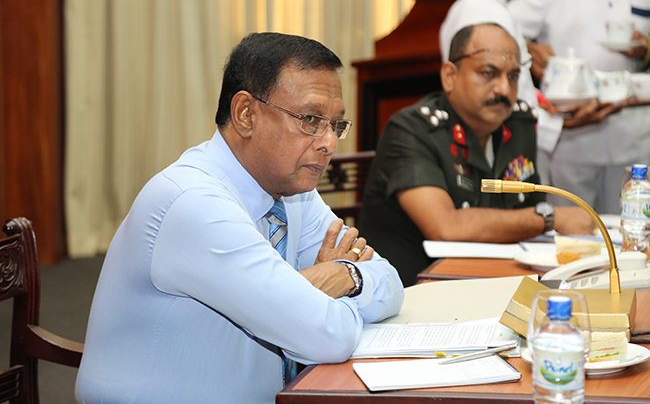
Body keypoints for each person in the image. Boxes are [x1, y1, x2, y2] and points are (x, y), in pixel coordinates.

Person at [75, 32, 404, 404]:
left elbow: (390, 285)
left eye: (335, 125)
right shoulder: (193, 203)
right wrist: (313, 302)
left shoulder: (295, 194)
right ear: (245, 114)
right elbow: (328, 338)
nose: (329, 142)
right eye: (311, 120)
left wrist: (346, 274)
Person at [358, 24, 594, 287]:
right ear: (450, 76)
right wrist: (550, 219)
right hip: (411, 292)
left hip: (494, 282)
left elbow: (524, 209)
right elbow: (446, 228)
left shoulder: (519, 123)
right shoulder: (412, 129)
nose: (504, 89)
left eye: (513, 76)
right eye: (488, 73)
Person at [508, 0, 650, 214]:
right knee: (570, 230)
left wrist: (647, 47)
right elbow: (503, 28)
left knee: (630, 227)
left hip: (634, 133)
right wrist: (531, 49)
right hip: (571, 136)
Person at [439, 0, 563, 186]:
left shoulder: (463, 5)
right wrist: (565, 124)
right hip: (498, 144)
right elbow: (511, 102)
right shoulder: (494, 17)